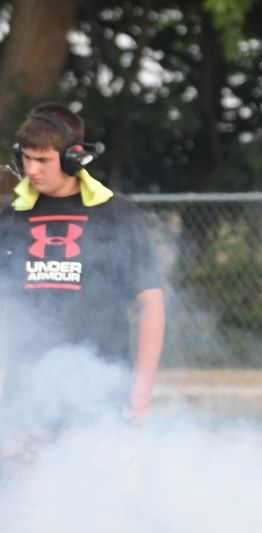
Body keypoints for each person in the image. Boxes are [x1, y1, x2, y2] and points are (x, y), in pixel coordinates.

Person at [0, 103, 164, 430]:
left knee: (101, 478)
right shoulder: (10, 218)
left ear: (74, 159)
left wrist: (142, 388)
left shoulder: (117, 215)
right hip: (26, 391)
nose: (32, 170)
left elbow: (151, 305)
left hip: (101, 387)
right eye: (27, 158)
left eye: (44, 160)